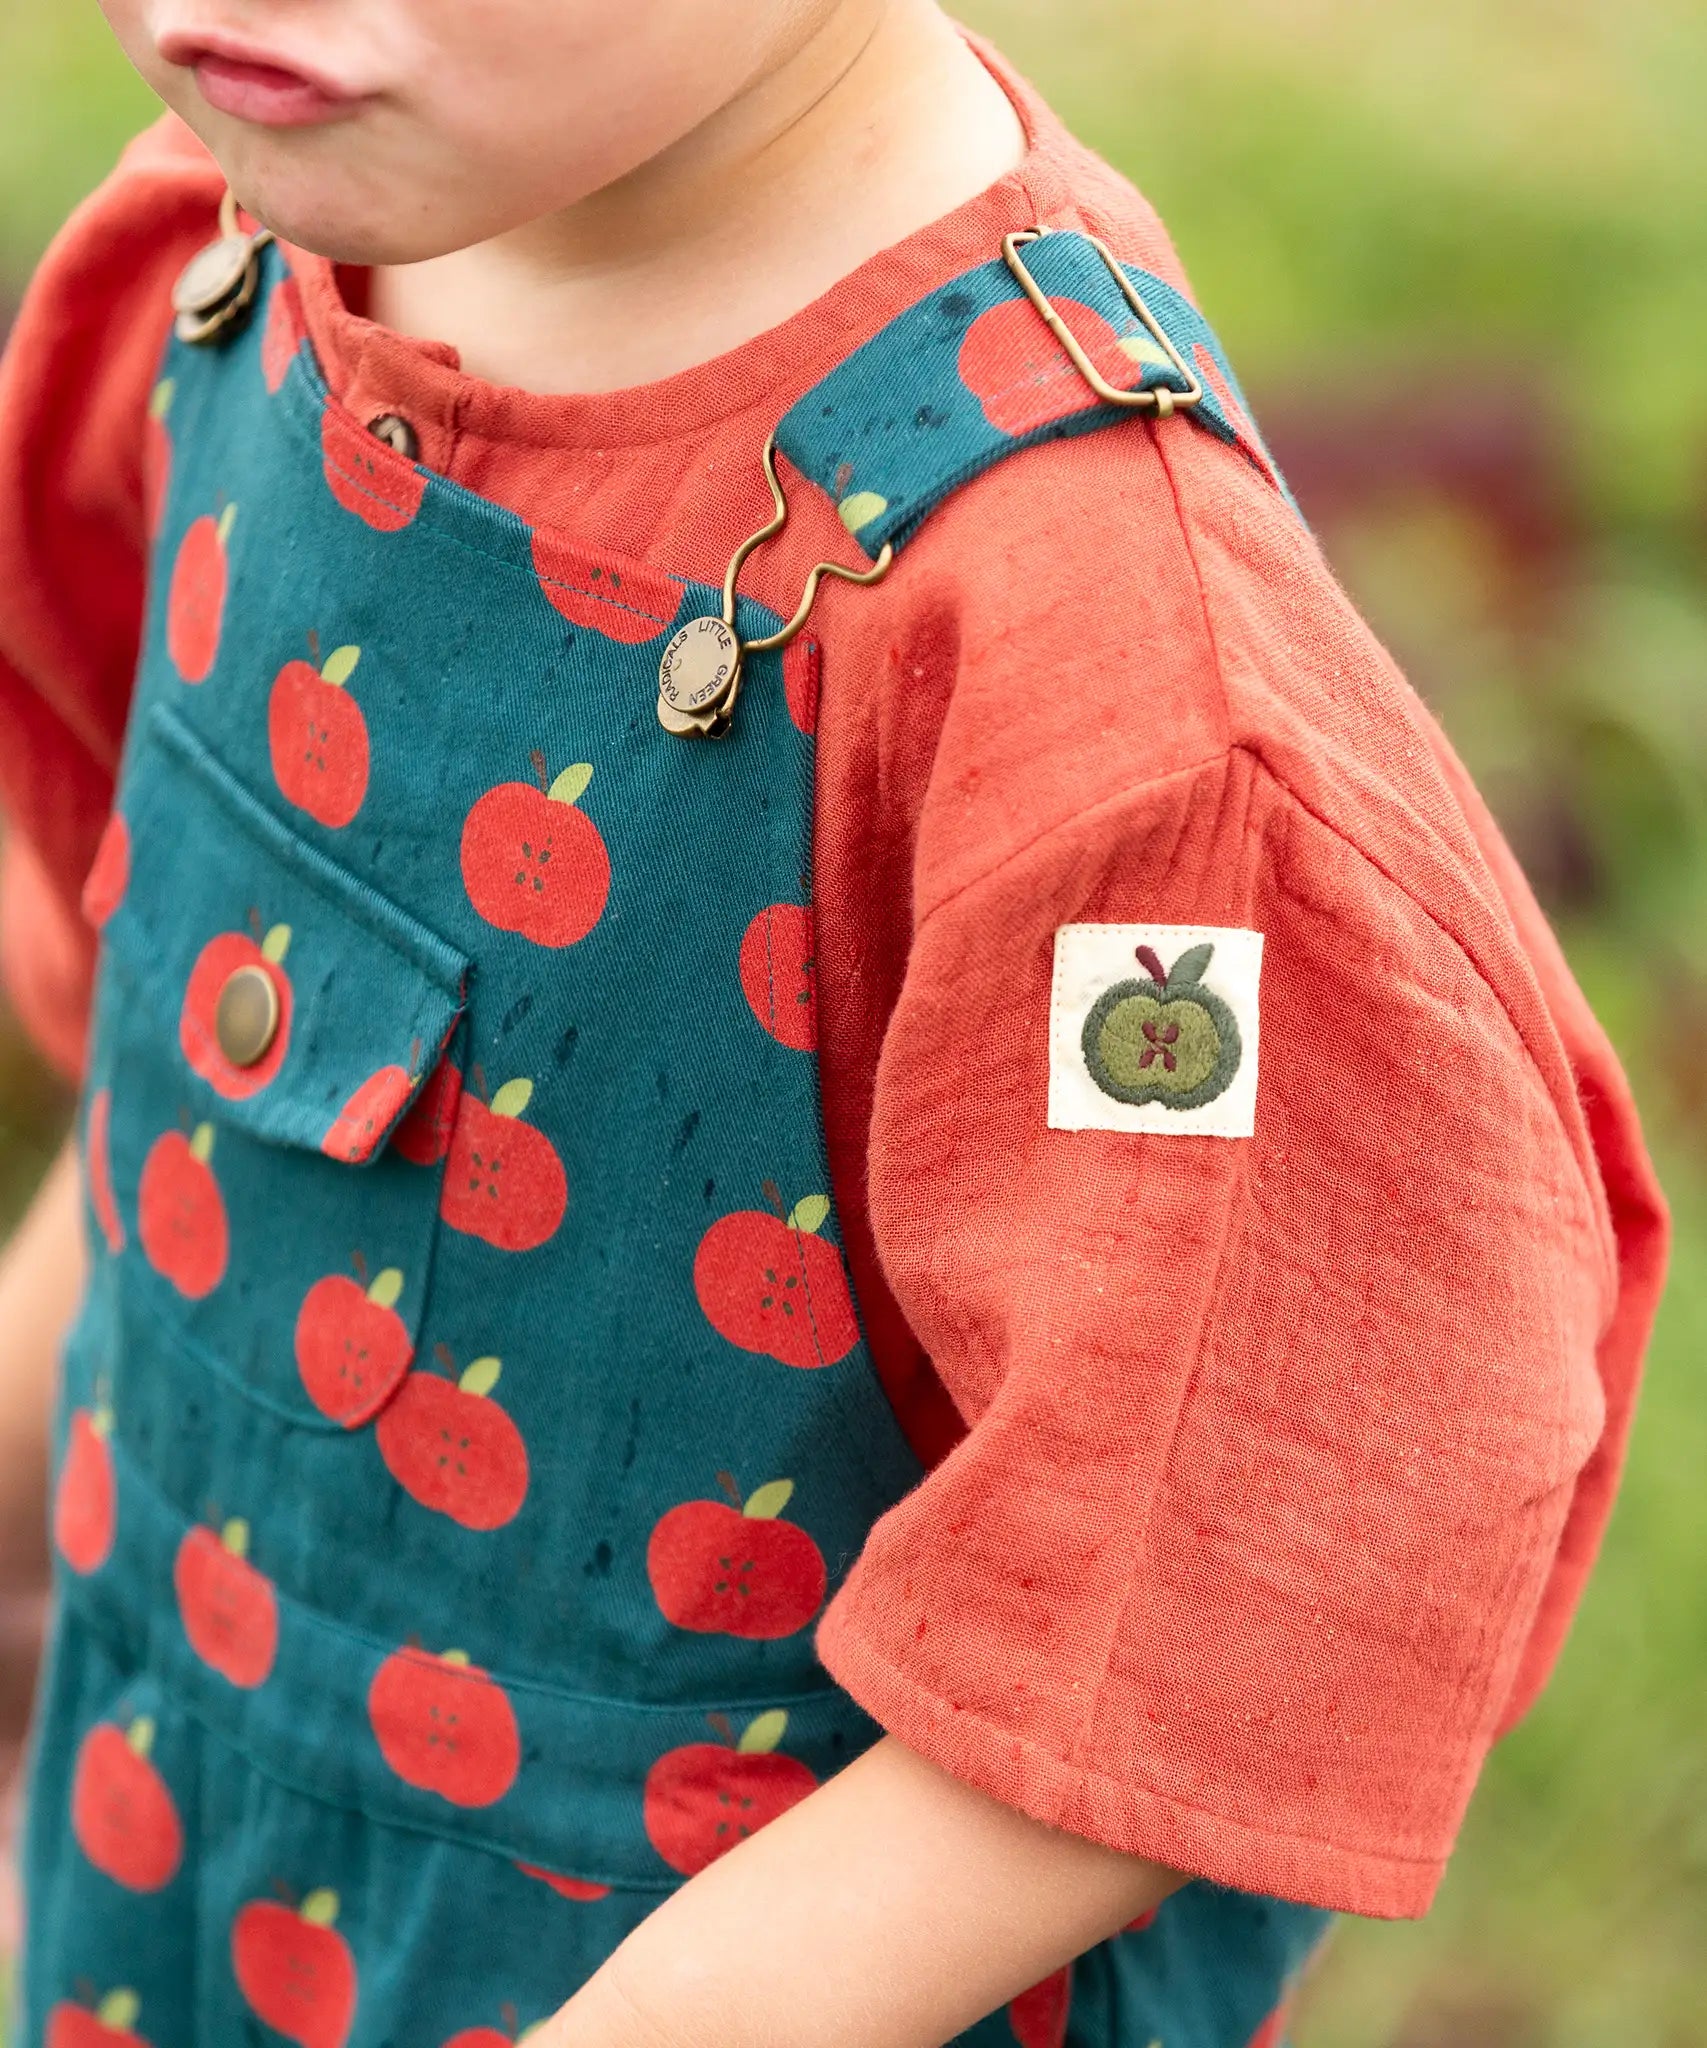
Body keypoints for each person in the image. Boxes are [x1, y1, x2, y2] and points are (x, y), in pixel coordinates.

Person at [0, 2, 1669, 2044]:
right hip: (163, 1889)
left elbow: (1164, 1612)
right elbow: (179, 1146)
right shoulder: (243, 260)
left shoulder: (1094, 678)